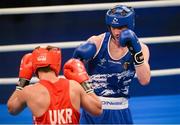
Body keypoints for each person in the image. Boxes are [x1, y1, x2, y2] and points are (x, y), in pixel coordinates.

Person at [73, 5, 151, 124]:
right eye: (113, 27)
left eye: (120, 28)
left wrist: (136, 52)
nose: (116, 32)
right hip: (93, 110)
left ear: (129, 26)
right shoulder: (97, 42)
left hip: (120, 111)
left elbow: (144, 80)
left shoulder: (141, 48)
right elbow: (73, 71)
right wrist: (87, 93)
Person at [7, 46, 102, 124]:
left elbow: (12, 109)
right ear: (57, 64)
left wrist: (23, 81)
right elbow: (97, 110)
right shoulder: (74, 87)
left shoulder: (30, 92)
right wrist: (84, 83)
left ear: (34, 66)